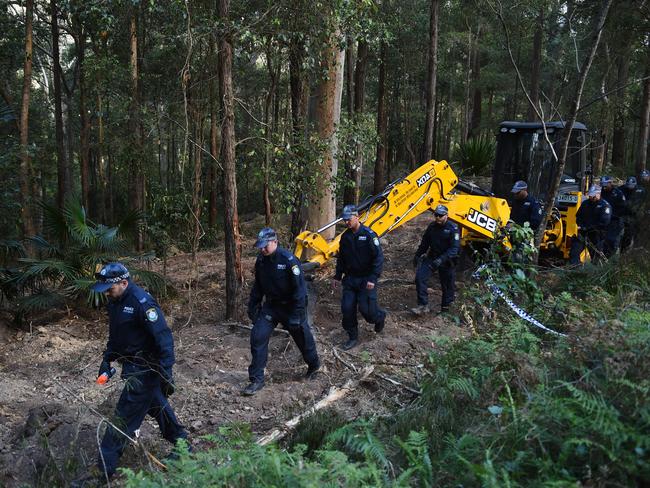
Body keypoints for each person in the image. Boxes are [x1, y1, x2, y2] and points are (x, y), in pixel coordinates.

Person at [85, 263, 188, 481]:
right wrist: (107, 359)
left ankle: (101, 472)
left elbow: (163, 337)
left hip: (146, 370)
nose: (106, 294)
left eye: (109, 289)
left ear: (124, 283)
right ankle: (182, 445)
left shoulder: (142, 303)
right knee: (156, 405)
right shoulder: (115, 302)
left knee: (122, 418)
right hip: (130, 366)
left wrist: (166, 371)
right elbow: (117, 335)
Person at [244, 227, 320, 396]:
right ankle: (257, 379)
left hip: (292, 306)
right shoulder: (261, 261)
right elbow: (258, 285)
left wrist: (296, 314)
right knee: (258, 336)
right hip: (272, 306)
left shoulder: (289, 260)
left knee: (302, 337)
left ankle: (314, 365)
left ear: (275, 242)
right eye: (261, 246)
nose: (263, 249)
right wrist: (253, 305)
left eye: (265, 246)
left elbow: (300, 290)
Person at [332, 204, 386, 351]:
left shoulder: (369, 235)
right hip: (350, 279)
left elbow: (378, 258)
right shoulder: (345, 237)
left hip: (366, 279)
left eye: (349, 219)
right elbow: (341, 259)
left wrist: (373, 278)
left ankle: (380, 317)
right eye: (345, 220)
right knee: (347, 308)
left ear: (357, 217)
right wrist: (337, 276)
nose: (347, 222)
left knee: (367, 311)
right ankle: (353, 337)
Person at [411, 204, 460, 315]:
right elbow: (424, 243)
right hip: (432, 257)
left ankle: (446, 310)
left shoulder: (453, 228)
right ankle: (423, 305)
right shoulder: (432, 227)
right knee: (420, 277)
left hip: (447, 260)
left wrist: (441, 260)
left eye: (441, 215)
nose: (438, 217)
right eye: (436, 215)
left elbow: (454, 249)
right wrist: (418, 255)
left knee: (447, 286)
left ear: (446, 216)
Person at [569, 185, 612, 264]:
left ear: (598, 194)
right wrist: (581, 225)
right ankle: (574, 270)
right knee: (574, 251)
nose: (591, 197)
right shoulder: (585, 203)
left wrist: (590, 227)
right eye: (590, 195)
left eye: (593, 195)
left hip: (596, 235)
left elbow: (604, 222)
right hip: (583, 233)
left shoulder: (605, 206)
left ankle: (595, 272)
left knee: (596, 257)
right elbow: (578, 216)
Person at [600, 175, 626, 257]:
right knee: (602, 241)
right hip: (603, 220)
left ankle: (611, 259)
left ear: (610, 183)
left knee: (612, 241)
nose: (604, 187)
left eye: (605, 185)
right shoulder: (600, 192)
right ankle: (603, 258)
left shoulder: (618, 193)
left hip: (615, 221)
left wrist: (614, 215)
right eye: (602, 185)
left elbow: (623, 207)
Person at [619, 176, 646, 251]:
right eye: (628, 185)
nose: (629, 188)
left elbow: (642, 203)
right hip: (623, 214)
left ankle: (629, 249)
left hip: (634, 216)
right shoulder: (620, 189)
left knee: (631, 233)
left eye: (631, 186)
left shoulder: (641, 191)